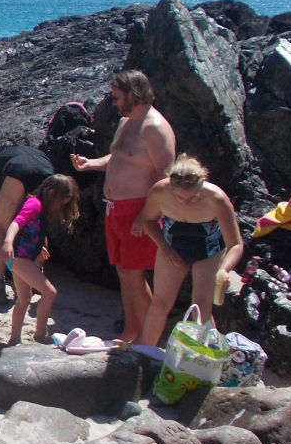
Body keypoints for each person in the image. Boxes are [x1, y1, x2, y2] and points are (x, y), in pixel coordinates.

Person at [72, 70, 177, 342]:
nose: (114, 102)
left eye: (117, 97)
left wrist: (146, 215)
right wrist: (90, 164)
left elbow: (166, 176)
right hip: (114, 209)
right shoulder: (126, 122)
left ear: (134, 94)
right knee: (124, 273)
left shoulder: (155, 128)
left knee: (134, 275)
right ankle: (131, 331)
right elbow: (119, 158)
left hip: (138, 209)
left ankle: (149, 339)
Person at [135, 157, 244, 349]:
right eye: (179, 197)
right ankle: (145, 353)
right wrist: (165, 248)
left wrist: (225, 270)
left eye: (193, 197)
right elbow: (148, 221)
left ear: (202, 186)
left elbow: (235, 244)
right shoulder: (160, 191)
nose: (186, 202)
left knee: (200, 309)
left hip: (209, 250)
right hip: (172, 247)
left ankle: (207, 357)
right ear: (171, 187)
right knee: (159, 304)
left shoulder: (217, 198)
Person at [5, 175, 81, 345]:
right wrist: (8, 242)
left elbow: (32, 230)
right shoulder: (34, 204)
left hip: (19, 257)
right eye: (61, 202)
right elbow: (17, 223)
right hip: (19, 257)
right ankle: (40, 334)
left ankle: (14, 339)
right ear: (51, 193)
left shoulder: (41, 206)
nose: (61, 207)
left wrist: (39, 247)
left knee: (24, 299)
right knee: (49, 293)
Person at [0, 145, 56, 306]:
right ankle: (34, 280)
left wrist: (3, 218)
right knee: (39, 227)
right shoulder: (28, 155)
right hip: (46, 170)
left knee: (0, 228)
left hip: (18, 169)